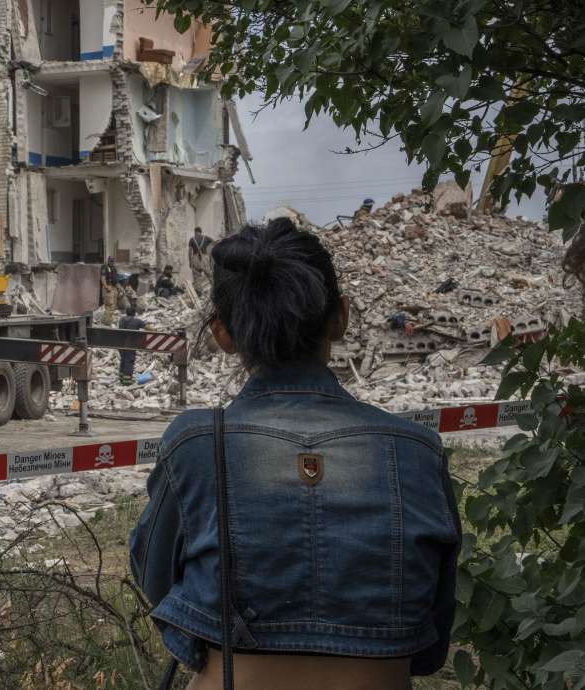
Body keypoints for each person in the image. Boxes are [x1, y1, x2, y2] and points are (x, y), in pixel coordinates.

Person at [131, 218, 460, 690]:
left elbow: (157, 579)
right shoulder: (416, 451)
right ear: (341, 318)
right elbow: (430, 639)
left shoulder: (197, 444)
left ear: (221, 334)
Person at [117, 306, 145, 384]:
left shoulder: (121, 320)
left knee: (123, 360)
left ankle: (121, 378)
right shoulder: (136, 321)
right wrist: (155, 330)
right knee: (129, 361)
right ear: (134, 313)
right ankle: (127, 381)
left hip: (121, 344)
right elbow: (145, 326)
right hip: (130, 345)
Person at [187, 226, 213, 296]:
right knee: (210, 275)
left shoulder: (192, 239)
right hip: (204, 257)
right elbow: (214, 244)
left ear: (195, 232)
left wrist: (190, 261)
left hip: (195, 258)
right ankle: (216, 289)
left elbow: (189, 251)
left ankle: (199, 293)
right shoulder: (206, 238)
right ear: (200, 231)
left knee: (196, 277)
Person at [100, 256, 120, 324]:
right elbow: (103, 277)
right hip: (108, 287)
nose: (112, 262)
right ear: (108, 261)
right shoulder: (105, 267)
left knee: (113, 305)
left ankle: (110, 320)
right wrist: (106, 286)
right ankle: (107, 321)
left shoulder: (114, 268)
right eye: (111, 261)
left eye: (113, 261)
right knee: (109, 305)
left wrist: (119, 287)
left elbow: (116, 279)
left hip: (114, 288)